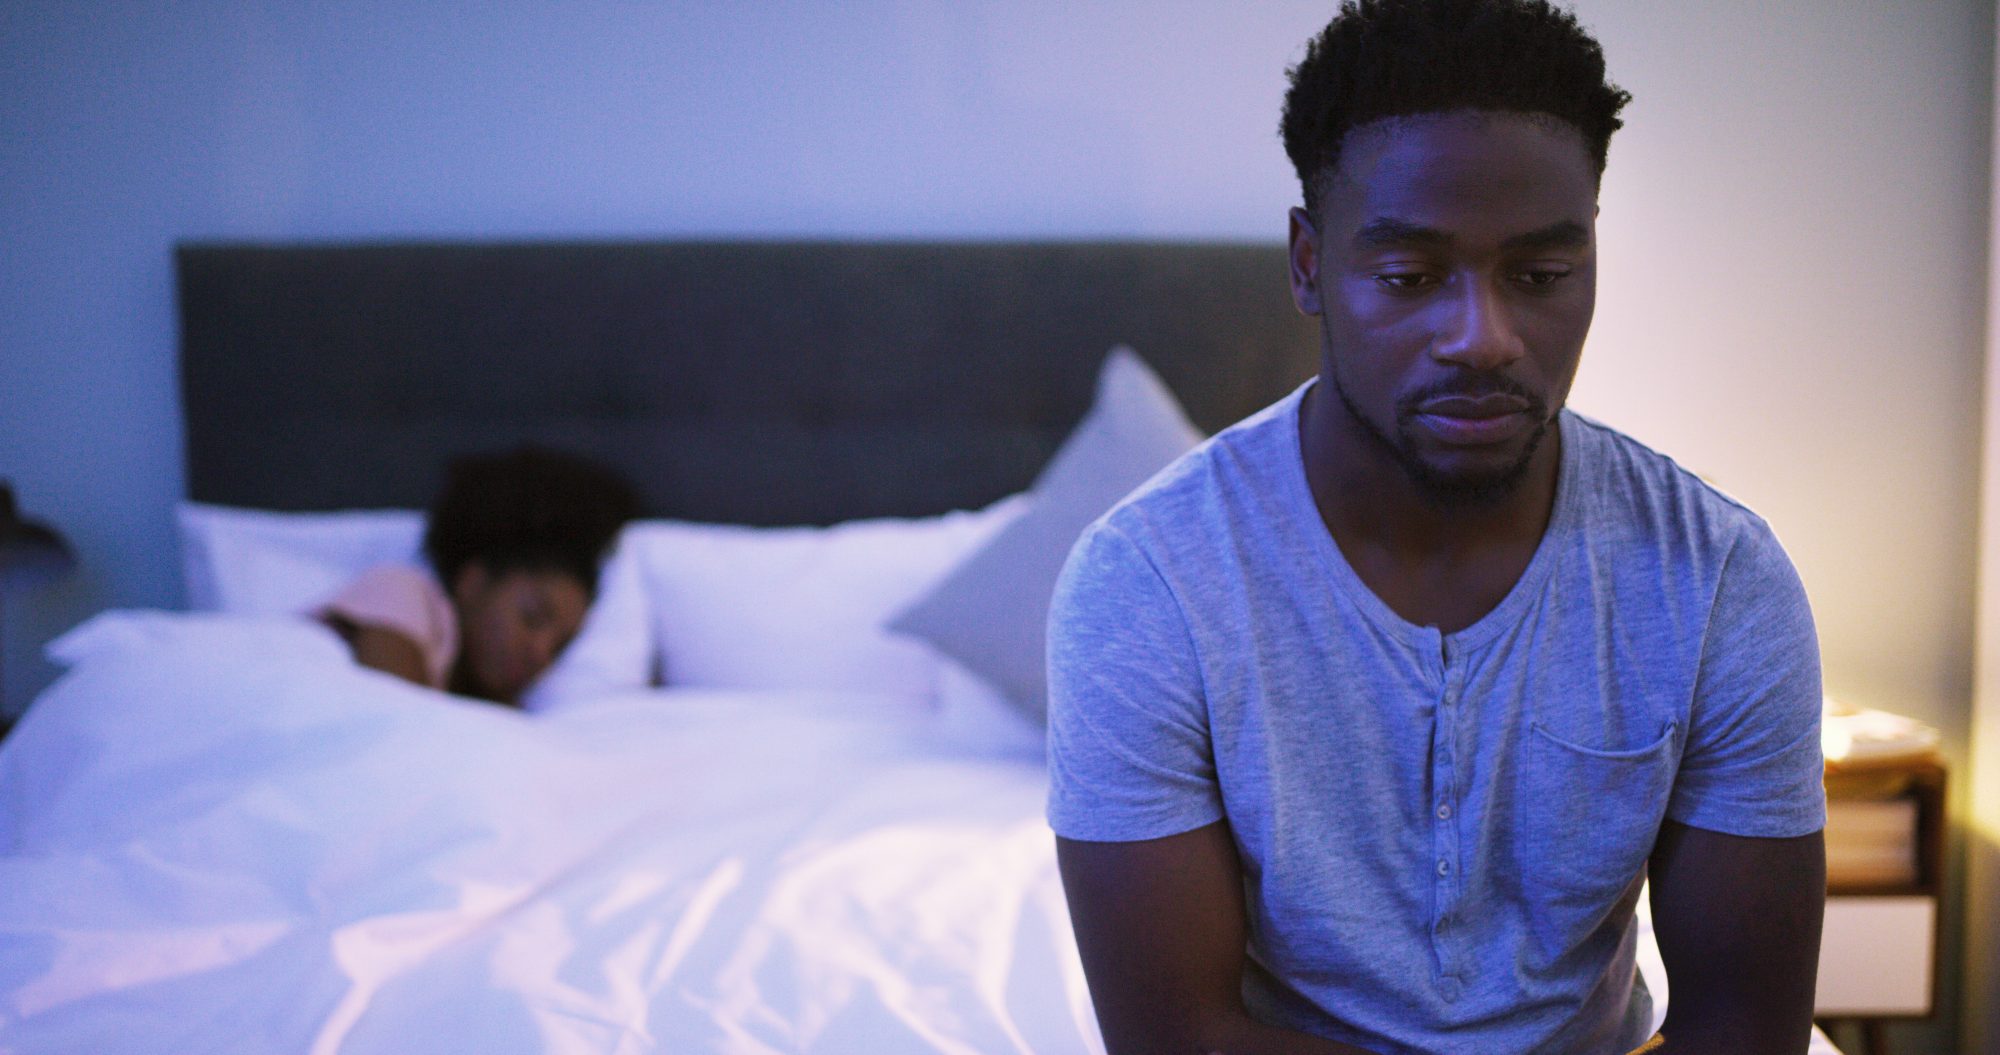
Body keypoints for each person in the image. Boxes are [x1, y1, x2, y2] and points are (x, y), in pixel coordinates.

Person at [1045, 2, 1825, 1054]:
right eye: (1410, 278)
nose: (1481, 336)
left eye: (1540, 277)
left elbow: (1741, 1024)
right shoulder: (1147, 581)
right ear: (1309, 264)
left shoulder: (1718, 575)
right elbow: (1181, 1038)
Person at [318, 445, 638, 707]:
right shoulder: (402, 592)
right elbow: (396, 719)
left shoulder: (479, 698)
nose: (540, 654)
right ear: (472, 582)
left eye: (559, 647)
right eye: (532, 617)